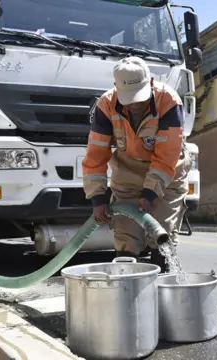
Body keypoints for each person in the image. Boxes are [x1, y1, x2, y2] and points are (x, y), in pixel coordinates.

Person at [82, 56, 192, 272]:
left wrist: (150, 194)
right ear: (116, 88)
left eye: (139, 98)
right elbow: (95, 157)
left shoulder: (169, 102)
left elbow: (166, 157)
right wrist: (98, 199)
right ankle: (128, 293)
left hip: (168, 173)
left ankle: (165, 292)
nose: (134, 105)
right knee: (126, 236)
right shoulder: (105, 106)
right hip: (127, 171)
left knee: (162, 235)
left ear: (150, 82)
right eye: (128, 99)